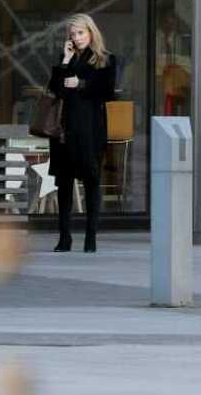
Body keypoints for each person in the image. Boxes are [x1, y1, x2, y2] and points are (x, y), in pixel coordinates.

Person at [48, 13, 116, 253]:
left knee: (91, 182)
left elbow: (107, 91)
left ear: (91, 32)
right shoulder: (67, 59)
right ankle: (64, 237)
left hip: (89, 130)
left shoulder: (105, 59)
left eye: (80, 33)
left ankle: (91, 237)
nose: (77, 38)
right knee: (64, 184)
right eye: (73, 34)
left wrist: (81, 84)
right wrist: (65, 61)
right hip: (64, 130)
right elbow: (53, 89)